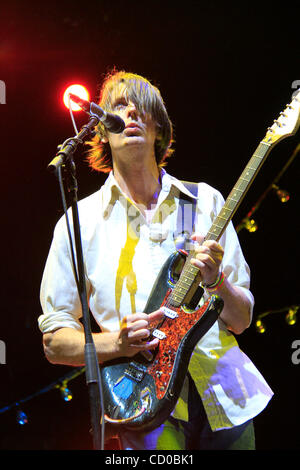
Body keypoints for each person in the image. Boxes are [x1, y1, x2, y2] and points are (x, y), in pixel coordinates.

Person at [38, 70, 273, 450]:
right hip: (146, 411)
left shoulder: (203, 202)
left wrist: (218, 283)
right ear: (101, 130)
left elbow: (242, 319)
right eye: (118, 107)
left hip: (228, 399)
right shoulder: (79, 222)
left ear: (159, 128)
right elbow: (54, 342)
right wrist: (118, 342)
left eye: (141, 108)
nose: (130, 113)